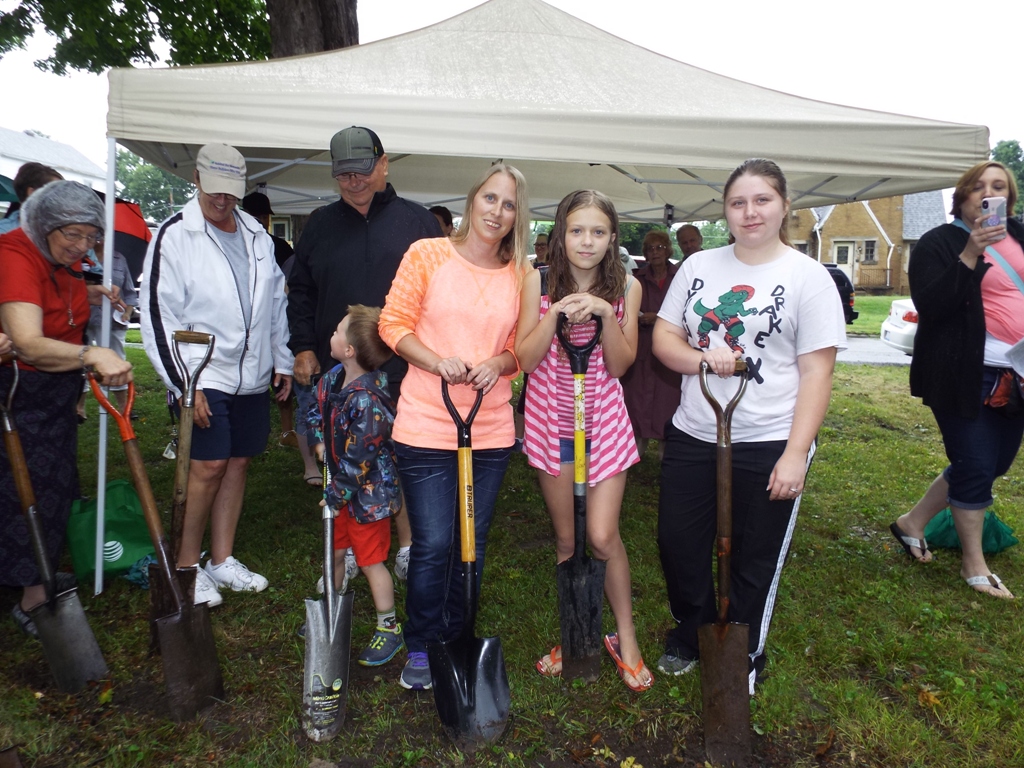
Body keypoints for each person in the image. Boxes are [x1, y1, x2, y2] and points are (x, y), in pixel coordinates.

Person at [652, 158, 845, 692]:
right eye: (738, 202)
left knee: (755, 554)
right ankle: (692, 631)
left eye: (762, 200)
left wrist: (795, 453)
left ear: (784, 206)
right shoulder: (699, 266)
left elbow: (818, 371)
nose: (750, 212)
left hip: (770, 437)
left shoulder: (808, 277)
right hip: (696, 429)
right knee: (677, 541)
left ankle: (744, 652)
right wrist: (704, 359)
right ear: (726, 211)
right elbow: (664, 338)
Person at [378, 162, 529, 690]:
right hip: (426, 423)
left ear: (517, 216)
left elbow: (522, 347)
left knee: (472, 542)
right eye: (490, 198)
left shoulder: (521, 274)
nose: (497, 212)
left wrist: (500, 364)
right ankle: (422, 642)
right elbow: (392, 323)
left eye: (509, 205)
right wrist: (435, 360)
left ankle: (458, 634)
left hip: (489, 427)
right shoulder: (428, 254)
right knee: (435, 542)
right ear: (472, 199)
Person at [141, 143, 293, 608]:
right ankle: (187, 565)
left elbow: (275, 303)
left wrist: (282, 358)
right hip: (202, 370)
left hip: (252, 371)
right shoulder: (175, 235)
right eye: (214, 190)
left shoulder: (257, 235)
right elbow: (158, 314)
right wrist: (183, 381)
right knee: (207, 466)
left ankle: (221, 559)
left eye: (231, 192)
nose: (222, 200)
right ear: (196, 179)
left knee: (239, 461)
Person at [287, 126, 442, 581]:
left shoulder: (418, 223)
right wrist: (302, 347)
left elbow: (439, 295)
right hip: (341, 372)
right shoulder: (319, 225)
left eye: (362, 171)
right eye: (344, 175)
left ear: (384, 164)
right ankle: (354, 545)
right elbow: (300, 292)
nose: (353, 181)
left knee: (402, 455)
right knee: (345, 458)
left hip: (404, 368)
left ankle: (409, 544)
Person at [516, 189, 650, 691]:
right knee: (569, 540)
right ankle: (575, 635)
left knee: (601, 535)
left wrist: (605, 314)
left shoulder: (627, 287)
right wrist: (553, 314)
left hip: (604, 424)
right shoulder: (538, 281)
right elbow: (526, 360)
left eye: (598, 231)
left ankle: (625, 637)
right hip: (551, 422)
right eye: (576, 231)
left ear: (613, 238)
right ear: (561, 234)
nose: (586, 241)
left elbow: (620, 364)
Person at [0, 181, 132, 636]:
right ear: (43, 226)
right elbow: (28, 343)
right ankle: (32, 596)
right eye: (72, 234)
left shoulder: (65, 260)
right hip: (21, 391)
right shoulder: (16, 255)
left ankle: (40, 570)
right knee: (25, 490)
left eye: (91, 236)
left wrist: (94, 294)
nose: (82, 246)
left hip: (54, 391)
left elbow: (56, 299)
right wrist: (91, 354)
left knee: (56, 486)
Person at [890, 161, 1024, 600]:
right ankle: (974, 565)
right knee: (976, 465)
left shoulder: (1018, 235)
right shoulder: (939, 242)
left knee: (993, 464)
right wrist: (970, 254)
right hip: (963, 373)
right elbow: (933, 305)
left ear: (1009, 197)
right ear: (963, 196)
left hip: (1016, 372)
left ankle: (912, 522)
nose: (988, 194)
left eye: (998, 186)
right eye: (978, 187)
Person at [312, 305, 405, 666]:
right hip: (341, 493)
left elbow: (360, 459)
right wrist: (320, 440)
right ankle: (330, 610)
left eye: (337, 331)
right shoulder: (332, 380)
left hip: (367, 497)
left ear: (349, 350)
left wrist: (336, 494)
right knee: (334, 552)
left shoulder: (367, 401)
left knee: (370, 561)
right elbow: (316, 412)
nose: (332, 335)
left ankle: (389, 627)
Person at [621, 230, 682, 458]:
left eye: (660, 247)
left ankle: (666, 452)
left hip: (670, 347)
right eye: (650, 249)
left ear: (668, 250)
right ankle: (633, 453)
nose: (655, 252)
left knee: (667, 401)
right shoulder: (636, 278)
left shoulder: (680, 277)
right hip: (640, 346)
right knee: (636, 400)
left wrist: (657, 317)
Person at [0, 162, 63, 235]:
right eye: (55, 192)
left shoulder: (62, 230)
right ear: (33, 193)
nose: (61, 198)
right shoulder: (4, 232)